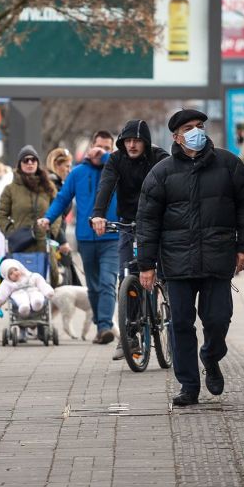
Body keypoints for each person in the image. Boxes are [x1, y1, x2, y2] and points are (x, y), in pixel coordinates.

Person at [135, 109, 244, 406]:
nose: (196, 131)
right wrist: (146, 266)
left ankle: (211, 357)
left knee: (217, 320)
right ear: (176, 136)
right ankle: (188, 385)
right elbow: (147, 221)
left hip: (218, 258)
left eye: (200, 126)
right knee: (180, 324)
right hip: (176, 262)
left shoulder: (229, 165)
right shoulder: (162, 172)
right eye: (189, 127)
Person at [90, 119, 170, 360]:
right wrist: (98, 215)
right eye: (128, 141)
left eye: (137, 141)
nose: (132, 145)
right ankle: (131, 334)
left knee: (165, 274)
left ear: (145, 142)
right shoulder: (116, 159)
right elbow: (106, 186)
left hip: (157, 223)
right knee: (127, 275)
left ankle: (174, 325)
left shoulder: (159, 158)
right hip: (128, 223)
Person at [38, 142, 119, 344]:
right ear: (90, 148)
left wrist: (106, 157)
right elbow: (62, 199)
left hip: (112, 237)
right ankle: (101, 325)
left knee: (107, 282)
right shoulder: (78, 173)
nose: (98, 151)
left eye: (104, 148)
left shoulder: (116, 168)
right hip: (86, 239)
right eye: (96, 146)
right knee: (93, 287)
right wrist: (48, 218)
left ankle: (104, 327)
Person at [0, 145, 62, 284]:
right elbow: (1, 215)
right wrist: (11, 232)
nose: (30, 163)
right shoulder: (10, 189)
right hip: (21, 245)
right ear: (20, 164)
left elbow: (58, 209)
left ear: (38, 163)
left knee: (46, 285)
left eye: (33, 160)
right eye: (26, 160)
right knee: (21, 286)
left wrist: (52, 230)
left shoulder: (48, 187)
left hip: (44, 244)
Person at [46, 147, 79, 285]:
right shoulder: (52, 186)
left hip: (57, 236)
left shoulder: (59, 184)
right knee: (63, 282)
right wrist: (63, 240)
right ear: (57, 166)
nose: (69, 170)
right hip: (54, 238)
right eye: (67, 166)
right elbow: (54, 218)